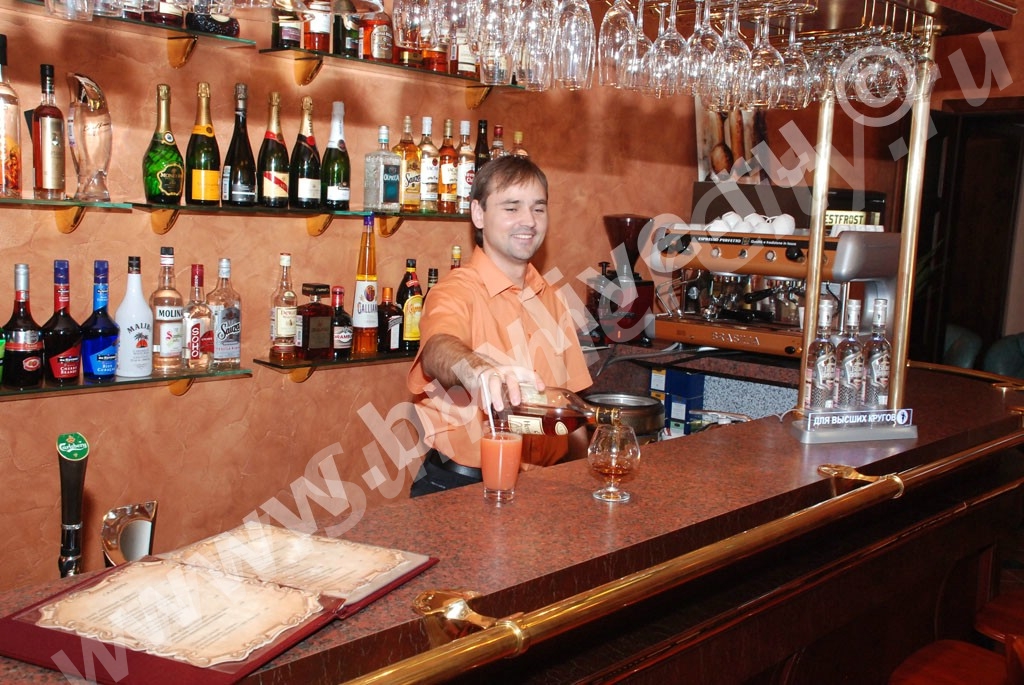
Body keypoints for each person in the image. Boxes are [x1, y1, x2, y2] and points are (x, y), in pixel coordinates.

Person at [407, 156, 593, 497]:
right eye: (511, 207)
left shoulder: (552, 299)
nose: (529, 221)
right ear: (478, 214)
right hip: (463, 489)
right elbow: (437, 349)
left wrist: (585, 484)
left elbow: (571, 410)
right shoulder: (455, 291)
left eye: (538, 208)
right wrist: (478, 370)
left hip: (544, 489)